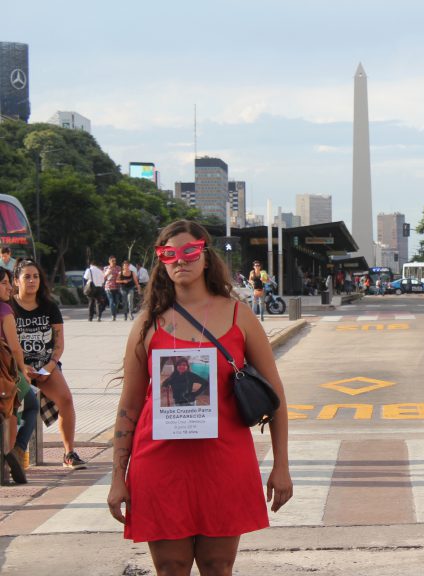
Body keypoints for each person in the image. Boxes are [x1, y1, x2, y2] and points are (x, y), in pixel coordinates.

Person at [107, 220, 292, 575]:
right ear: (161, 261)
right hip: (160, 465)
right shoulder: (147, 323)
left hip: (223, 462)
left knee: (217, 566)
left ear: (205, 256)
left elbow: (276, 395)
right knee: (170, 567)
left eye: (190, 251)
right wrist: (118, 476)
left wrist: (281, 465)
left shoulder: (239, 314)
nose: (180, 260)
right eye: (169, 254)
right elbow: (129, 407)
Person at [12, 259, 86, 469]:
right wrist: (22, 367)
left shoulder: (49, 306)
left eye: (35, 276)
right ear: (16, 281)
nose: (32, 281)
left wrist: (50, 366)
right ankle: (12, 453)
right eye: (27, 276)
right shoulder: (9, 307)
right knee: (10, 406)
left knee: (66, 399)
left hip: (47, 364)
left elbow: (59, 343)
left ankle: (69, 453)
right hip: (17, 367)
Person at [0, 267, 35, 483]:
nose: (9, 287)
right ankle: (17, 450)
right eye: (4, 283)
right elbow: (14, 349)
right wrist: (24, 372)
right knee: (32, 404)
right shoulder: (5, 310)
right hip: (5, 375)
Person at [104, 256, 122, 321]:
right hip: (108, 287)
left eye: (115, 261)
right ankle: (113, 315)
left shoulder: (118, 268)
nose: (114, 262)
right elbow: (104, 278)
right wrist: (108, 273)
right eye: (112, 261)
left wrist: (120, 275)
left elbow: (121, 276)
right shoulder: (106, 268)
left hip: (117, 287)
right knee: (111, 301)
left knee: (116, 302)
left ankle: (114, 313)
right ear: (109, 261)